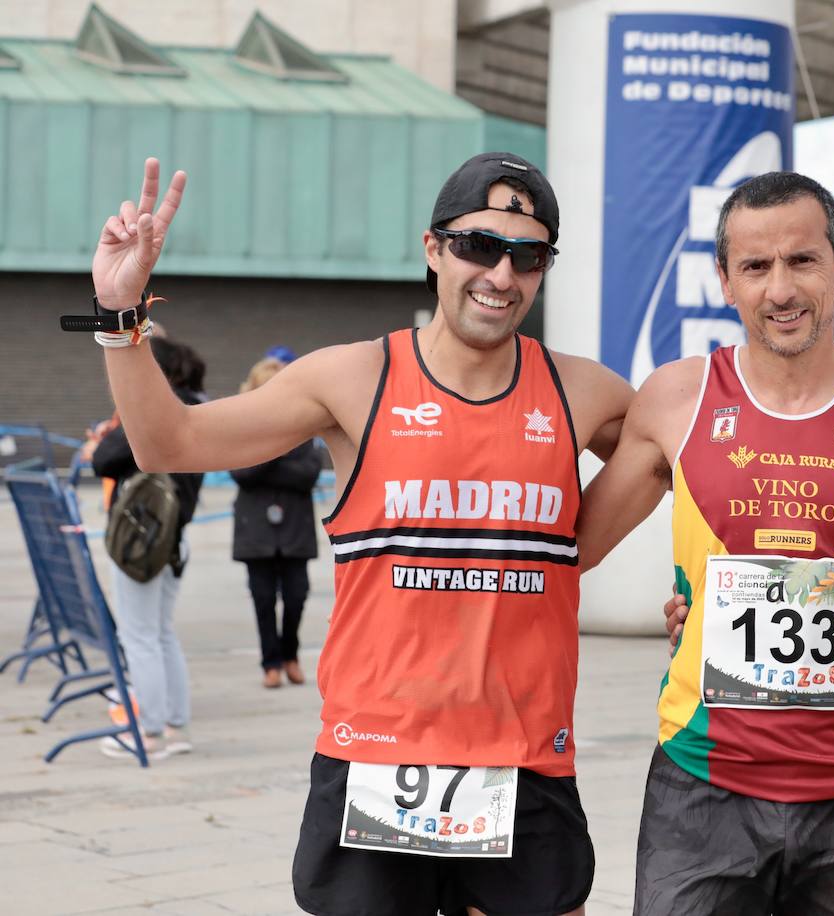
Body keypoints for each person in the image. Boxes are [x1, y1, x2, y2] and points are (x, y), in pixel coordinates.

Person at [85, 154, 632, 916]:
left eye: (528, 256)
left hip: (527, 760)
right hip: (376, 757)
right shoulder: (353, 378)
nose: (502, 275)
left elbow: (690, 466)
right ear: (433, 249)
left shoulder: (584, 391)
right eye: (479, 246)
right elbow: (167, 442)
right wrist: (118, 313)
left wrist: (691, 593)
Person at [577, 171, 834, 915]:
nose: (781, 289)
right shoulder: (676, 398)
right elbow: (568, 550)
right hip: (701, 784)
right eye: (756, 266)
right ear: (724, 280)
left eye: (802, 260)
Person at [90, 336, 205, 761]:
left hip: (143, 539)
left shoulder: (156, 408)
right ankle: (176, 728)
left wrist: (112, 432)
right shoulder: (197, 404)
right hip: (174, 538)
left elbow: (103, 459)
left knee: (138, 635)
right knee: (160, 632)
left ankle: (151, 733)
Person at [230, 357, 323, 689]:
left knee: (297, 596)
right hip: (256, 529)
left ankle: (290, 655)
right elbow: (242, 473)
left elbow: (308, 475)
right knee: (263, 599)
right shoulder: (243, 427)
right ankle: (270, 663)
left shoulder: (305, 426)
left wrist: (266, 457)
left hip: (295, 529)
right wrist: (278, 449)